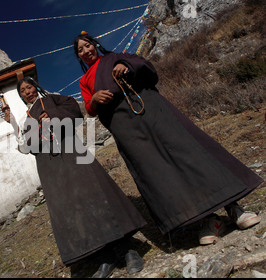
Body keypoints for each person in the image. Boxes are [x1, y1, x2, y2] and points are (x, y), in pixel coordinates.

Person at [74, 32, 263, 245]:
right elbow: (90, 109)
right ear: (79, 56)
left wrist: (126, 65)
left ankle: (234, 208)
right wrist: (96, 99)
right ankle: (207, 220)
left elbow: (144, 66)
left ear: (95, 45)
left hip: (150, 109)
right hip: (125, 127)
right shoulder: (84, 81)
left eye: (88, 45)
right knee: (160, 170)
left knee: (187, 150)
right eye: (80, 50)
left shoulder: (117, 56)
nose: (86, 51)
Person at [2, 77, 146, 277]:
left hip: (72, 154)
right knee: (76, 206)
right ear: (21, 96)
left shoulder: (53, 99)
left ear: (35, 87)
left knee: (97, 194)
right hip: (51, 167)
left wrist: (52, 117)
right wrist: (13, 123)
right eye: (23, 91)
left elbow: (75, 111)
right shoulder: (27, 119)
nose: (27, 91)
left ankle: (128, 249)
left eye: (29, 87)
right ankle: (104, 257)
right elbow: (25, 147)